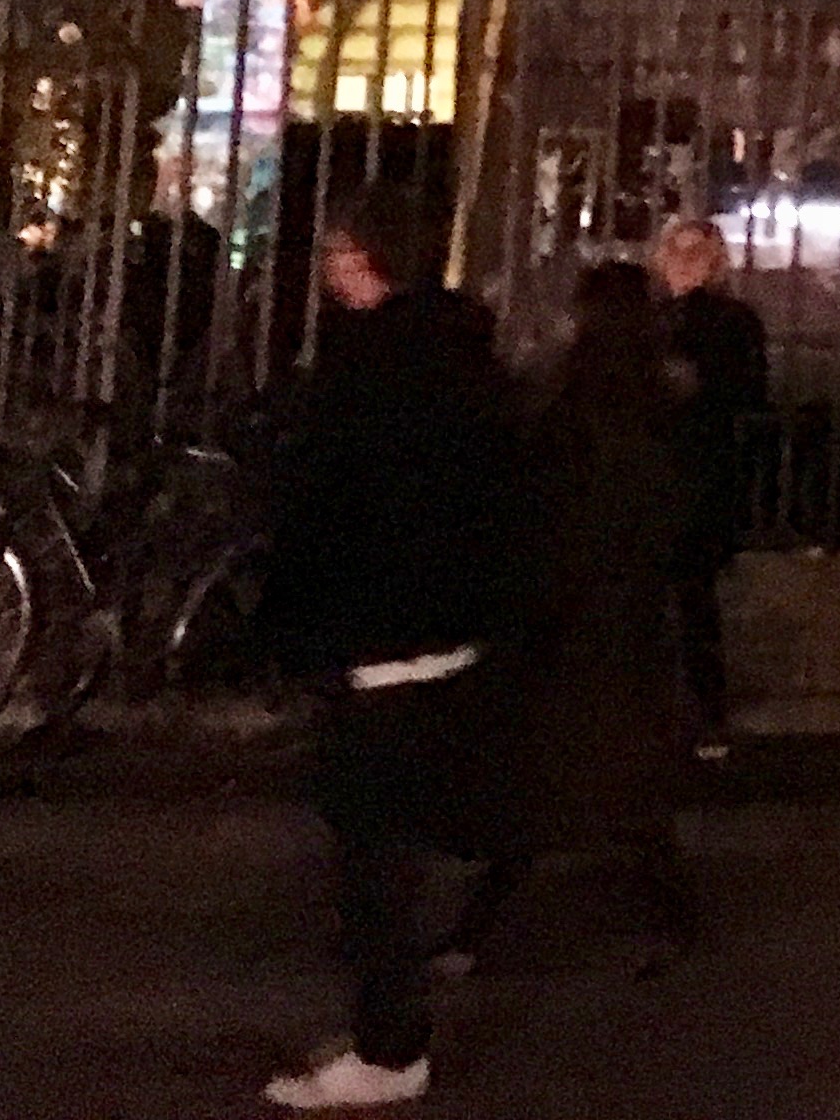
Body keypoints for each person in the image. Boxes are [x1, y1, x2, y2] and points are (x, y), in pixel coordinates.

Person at [257, 185, 524, 1110]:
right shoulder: (469, 362)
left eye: (336, 253)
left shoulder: (366, 372)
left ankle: (389, 1047)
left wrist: (295, 632)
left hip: (377, 639)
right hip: (450, 636)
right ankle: (388, 1032)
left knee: (373, 865)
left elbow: (323, 513)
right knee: (397, 849)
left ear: (362, 258)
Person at [455, 260, 702, 970]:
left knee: (542, 768)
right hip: (628, 603)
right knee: (624, 772)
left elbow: (529, 493)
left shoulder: (560, 396)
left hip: (563, 601)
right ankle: (668, 916)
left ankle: (479, 927)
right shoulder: (662, 398)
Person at [652, 218, 769, 758]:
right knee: (689, 599)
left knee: (685, 599)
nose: (684, 263)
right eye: (678, 252)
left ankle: (696, 713)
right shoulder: (725, 321)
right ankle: (699, 714)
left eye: (694, 253)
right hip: (696, 471)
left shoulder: (690, 322)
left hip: (688, 470)